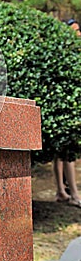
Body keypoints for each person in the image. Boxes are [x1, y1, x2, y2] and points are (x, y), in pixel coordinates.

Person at [54, 18, 80, 208]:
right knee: (65, 156)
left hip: (66, 111)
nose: (78, 33)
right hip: (64, 112)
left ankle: (64, 191)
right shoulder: (65, 50)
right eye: (75, 30)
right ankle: (72, 193)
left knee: (65, 157)